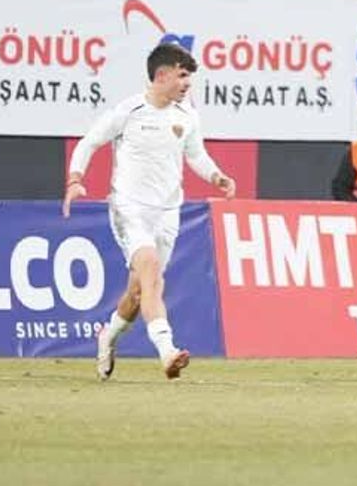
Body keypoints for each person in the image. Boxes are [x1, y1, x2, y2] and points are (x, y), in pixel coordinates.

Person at [63, 43, 236, 381]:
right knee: (151, 268)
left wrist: (217, 176)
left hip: (168, 212)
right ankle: (167, 350)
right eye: (182, 76)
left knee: (140, 291)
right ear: (161, 75)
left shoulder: (186, 115)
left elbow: (196, 155)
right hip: (129, 208)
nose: (187, 84)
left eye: (189, 77)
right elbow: (89, 142)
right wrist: (75, 180)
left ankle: (108, 336)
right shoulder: (129, 111)